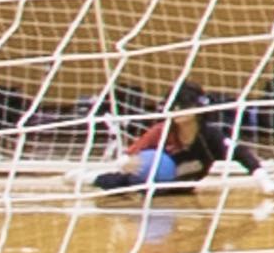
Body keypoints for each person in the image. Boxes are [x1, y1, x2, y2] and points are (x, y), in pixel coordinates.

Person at [86, 85, 263, 198]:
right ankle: (86, 178)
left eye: (183, 106)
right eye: (174, 106)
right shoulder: (162, 131)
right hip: (149, 186)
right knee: (114, 183)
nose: (177, 111)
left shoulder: (210, 136)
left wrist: (266, 184)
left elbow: (242, 154)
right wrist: (127, 163)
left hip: (182, 189)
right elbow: (128, 156)